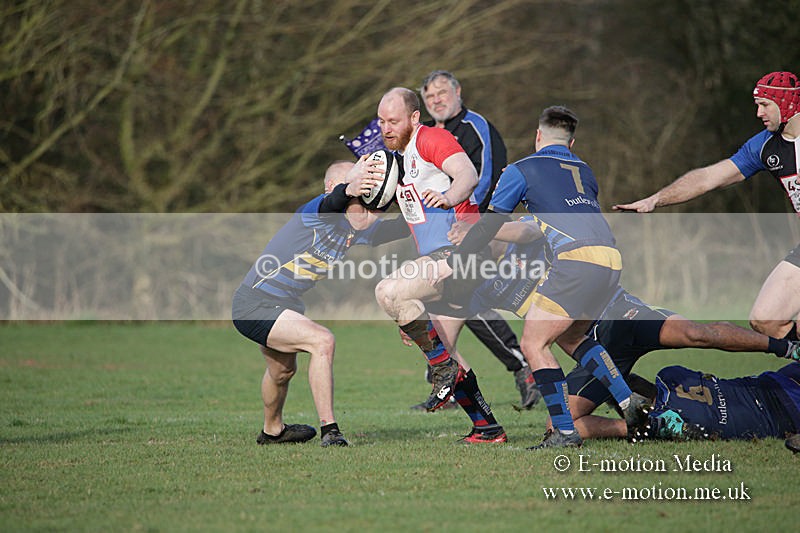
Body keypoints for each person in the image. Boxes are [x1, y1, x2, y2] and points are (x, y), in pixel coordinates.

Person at [445, 217, 800, 441]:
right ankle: (646, 423)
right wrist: (423, 331)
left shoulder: (521, 232)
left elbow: (526, 228)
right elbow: (451, 314)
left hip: (621, 311)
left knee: (697, 333)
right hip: (594, 345)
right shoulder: (480, 285)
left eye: (476, 233)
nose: (471, 242)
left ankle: (786, 348)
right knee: (561, 424)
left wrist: (481, 226)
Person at [439, 105, 648, 449]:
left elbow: (490, 223)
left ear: (538, 136)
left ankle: (565, 433)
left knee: (533, 343)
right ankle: (630, 402)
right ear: (571, 141)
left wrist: (458, 260)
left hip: (576, 260)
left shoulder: (522, 169)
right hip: (610, 258)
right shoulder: (585, 170)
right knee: (573, 338)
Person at [614, 71, 800, 342]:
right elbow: (709, 177)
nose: (758, 113)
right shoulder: (764, 146)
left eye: (764, 105)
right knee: (766, 320)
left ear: (787, 103)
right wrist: (655, 199)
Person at [373, 87, 508, 444]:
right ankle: (487, 428)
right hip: (441, 261)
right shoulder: (398, 161)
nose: (385, 128)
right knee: (439, 342)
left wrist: (450, 198)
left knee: (388, 291)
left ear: (414, 118)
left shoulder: (431, 137)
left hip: (462, 256)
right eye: (381, 121)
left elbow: (467, 174)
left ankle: (442, 366)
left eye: (393, 121)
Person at [231, 158, 383, 447]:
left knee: (282, 371)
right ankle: (331, 431)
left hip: (284, 305)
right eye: (352, 185)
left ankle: (272, 431)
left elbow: (397, 229)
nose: (358, 195)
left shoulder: (351, 228)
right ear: (331, 186)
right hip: (254, 303)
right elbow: (334, 202)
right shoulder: (315, 212)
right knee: (322, 341)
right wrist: (349, 186)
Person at [416, 69, 537, 410]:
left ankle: (521, 367)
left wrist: (472, 225)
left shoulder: (474, 127)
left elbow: (480, 180)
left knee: (466, 299)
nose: (436, 100)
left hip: (479, 228)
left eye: (442, 92)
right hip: (444, 231)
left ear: (458, 91)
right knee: (459, 301)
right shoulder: (426, 135)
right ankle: (460, 382)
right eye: (429, 96)